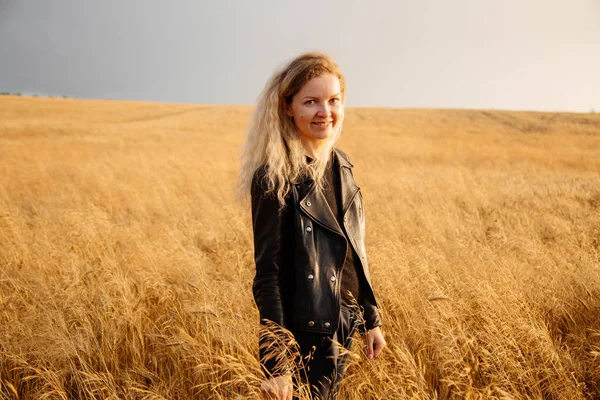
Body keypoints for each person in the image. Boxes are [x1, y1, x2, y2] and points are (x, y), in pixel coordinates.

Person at [239, 52, 386, 400]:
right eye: (311, 102)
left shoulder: (341, 164)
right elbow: (268, 276)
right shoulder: (274, 178)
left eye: (333, 100)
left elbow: (351, 251)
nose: (325, 112)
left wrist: (370, 317)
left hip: (344, 321)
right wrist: (277, 365)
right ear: (288, 107)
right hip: (305, 329)